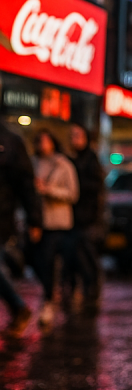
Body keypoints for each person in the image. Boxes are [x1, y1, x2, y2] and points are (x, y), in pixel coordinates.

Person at [32, 130, 80, 326]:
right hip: (38, 221)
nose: (42, 144)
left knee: (51, 260)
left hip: (58, 222)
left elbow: (72, 193)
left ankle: (51, 297)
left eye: (45, 140)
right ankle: (51, 293)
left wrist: (49, 190)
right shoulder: (32, 163)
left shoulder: (63, 164)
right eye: (39, 140)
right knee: (37, 260)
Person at [0, 121, 43, 335]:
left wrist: (34, 219)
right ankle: (18, 307)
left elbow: (26, 184)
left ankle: (18, 306)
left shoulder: (10, 141)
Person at [69, 123, 104, 304]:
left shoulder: (91, 160)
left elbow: (97, 187)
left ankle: (92, 284)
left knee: (86, 251)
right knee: (74, 252)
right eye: (72, 136)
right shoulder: (72, 159)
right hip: (74, 215)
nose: (73, 140)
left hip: (88, 216)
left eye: (77, 136)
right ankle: (80, 285)